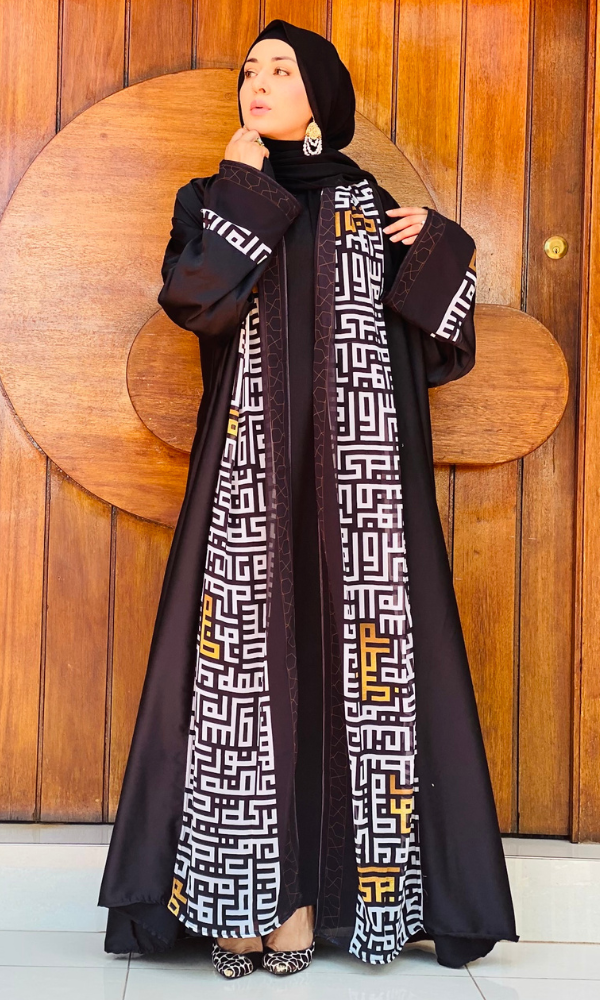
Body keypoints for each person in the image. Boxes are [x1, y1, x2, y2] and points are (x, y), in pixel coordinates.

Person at [98, 18, 518, 979]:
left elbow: (440, 350)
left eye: (281, 70)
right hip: (249, 472)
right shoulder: (214, 195)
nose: (258, 82)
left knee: (352, 671)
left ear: (321, 95)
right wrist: (242, 181)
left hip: (360, 485)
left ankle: (307, 905)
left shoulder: (367, 204)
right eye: (250, 71)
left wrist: (440, 245)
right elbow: (196, 300)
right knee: (241, 671)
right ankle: (232, 899)